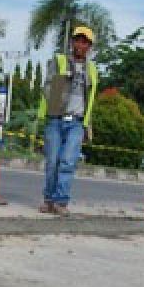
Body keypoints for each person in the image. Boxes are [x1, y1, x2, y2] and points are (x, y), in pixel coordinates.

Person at [37, 25, 98, 215]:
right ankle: (48, 199)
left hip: (77, 123)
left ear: (89, 46)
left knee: (68, 162)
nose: (81, 45)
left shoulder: (92, 70)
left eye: (85, 42)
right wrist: (56, 100)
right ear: (72, 42)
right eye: (78, 40)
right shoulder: (59, 61)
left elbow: (90, 98)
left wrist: (87, 125)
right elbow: (47, 86)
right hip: (56, 119)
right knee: (53, 161)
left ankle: (60, 202)